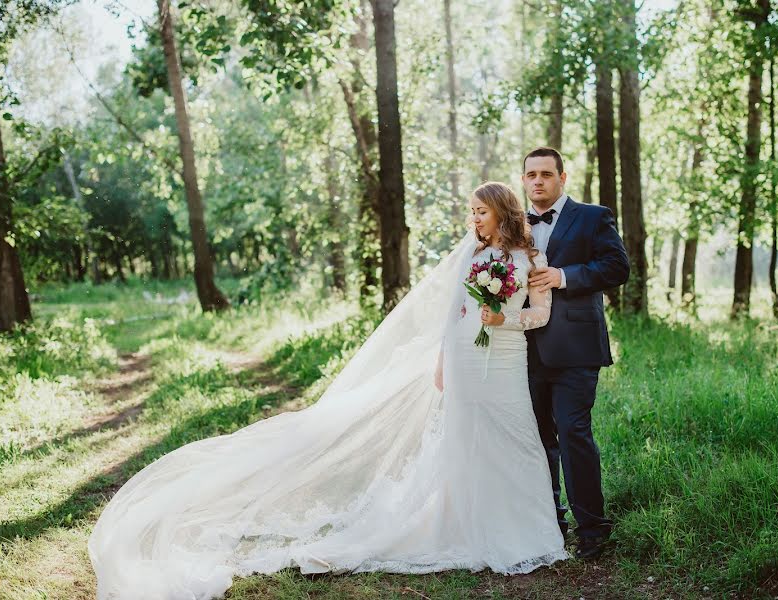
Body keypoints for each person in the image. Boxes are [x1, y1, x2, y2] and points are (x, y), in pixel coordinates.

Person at [88, 181, 568, 600]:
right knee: (463, 439)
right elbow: (453, 315)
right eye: (472, 212)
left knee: (515, 436)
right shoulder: (475, 254)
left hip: (505, 358)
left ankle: (522, 530)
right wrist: (444, 360)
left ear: (502, 211)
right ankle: (465, 522)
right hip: (464, 357)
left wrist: (503, 319)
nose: (474, 219)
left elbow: (540, 316)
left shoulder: (531, 258)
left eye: (481, 211)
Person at [521, 146, 630, 559]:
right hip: (524, 349)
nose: (537, 181)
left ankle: (593, 530)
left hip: (577, 348)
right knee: (535, 440)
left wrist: (564, 276)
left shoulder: (592, 217)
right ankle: (548, 521)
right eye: (531, 174)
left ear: (562, 178)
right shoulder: (516, 222)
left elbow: (617, 268)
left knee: (573, 434)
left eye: (546, 174)